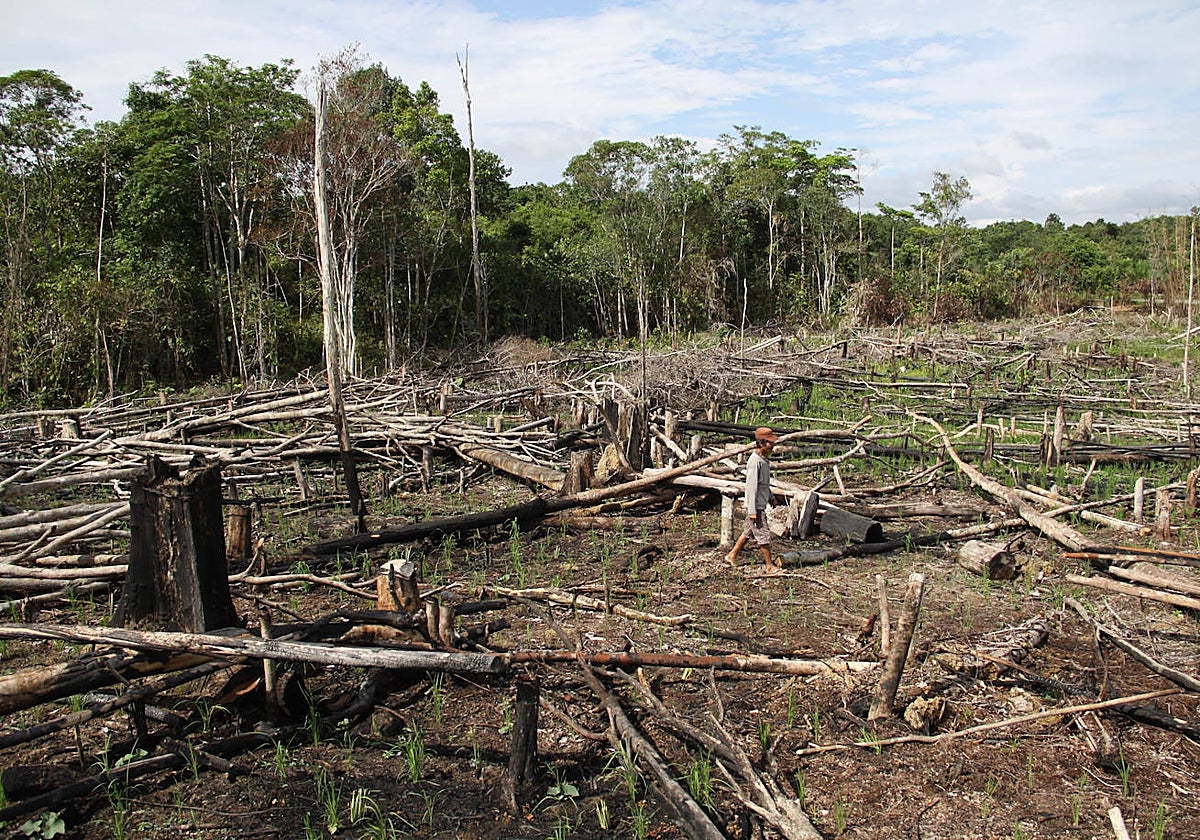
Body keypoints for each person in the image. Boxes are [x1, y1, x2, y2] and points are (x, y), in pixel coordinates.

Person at [725, 427, 783, 574]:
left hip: (760, 503)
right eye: (770, 443)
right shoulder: (755, 462)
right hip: (755, 505)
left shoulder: (764, 461)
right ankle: (769, 565)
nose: (773, 445)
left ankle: (732, 555)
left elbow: (764, 484)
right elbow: (751, 488)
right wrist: (752, 510)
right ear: (762, 444)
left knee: (748, 532)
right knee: (763, 535)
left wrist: (771, 497)